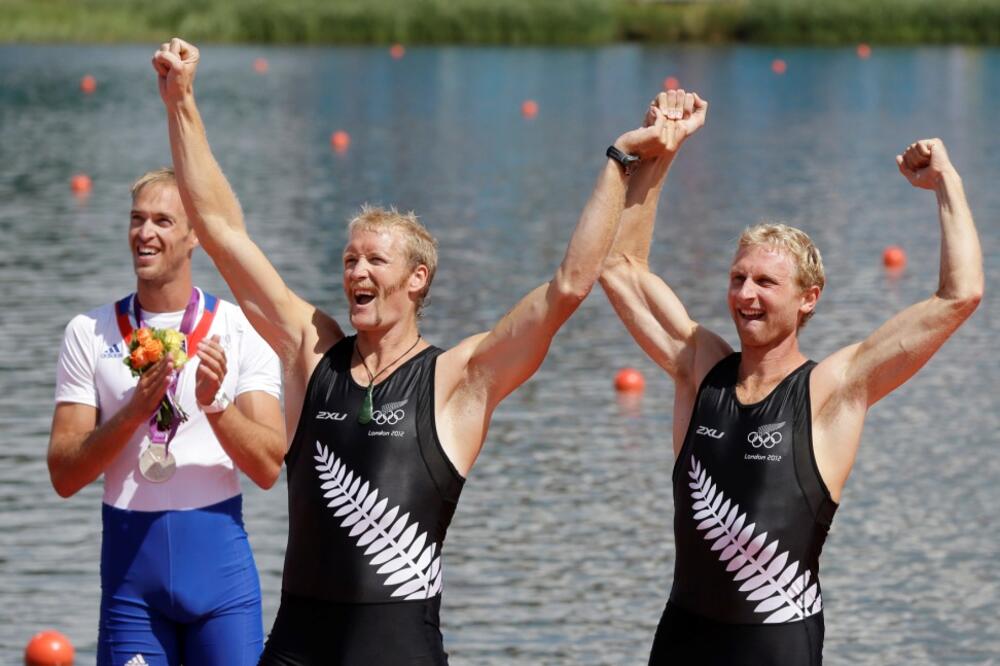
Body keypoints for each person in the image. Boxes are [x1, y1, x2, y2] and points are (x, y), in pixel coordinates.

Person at [151, 37, 675, 664]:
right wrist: (179, 98)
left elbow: (567, 287)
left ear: (417, 278)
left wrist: (620, 161)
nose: (357, 273)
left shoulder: (458, 378)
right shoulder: (311, 351)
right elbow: (221, 231)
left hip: (397, 647)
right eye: (350, 260)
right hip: (296, 644)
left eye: (375, 259)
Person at [600, 90, 983, 664]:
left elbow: (960, 295)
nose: (745, 295)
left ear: (809, 298)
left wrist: (946, 182)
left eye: (765, 283)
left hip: (775, 641)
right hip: (683, 636)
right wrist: (661, 149)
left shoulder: (832, 391)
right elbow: (619, 266)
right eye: (737, 278)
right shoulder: (699, 367)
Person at [48, 168, 286, 666]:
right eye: (137, 220)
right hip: (132, 582)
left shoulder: (240, 328)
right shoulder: (87, 333)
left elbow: (268, 467)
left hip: (221, 585)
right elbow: (64, 474)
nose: (145, 234)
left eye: (162, 221)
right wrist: (133, 413)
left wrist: (216, 406)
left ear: (194, 233)